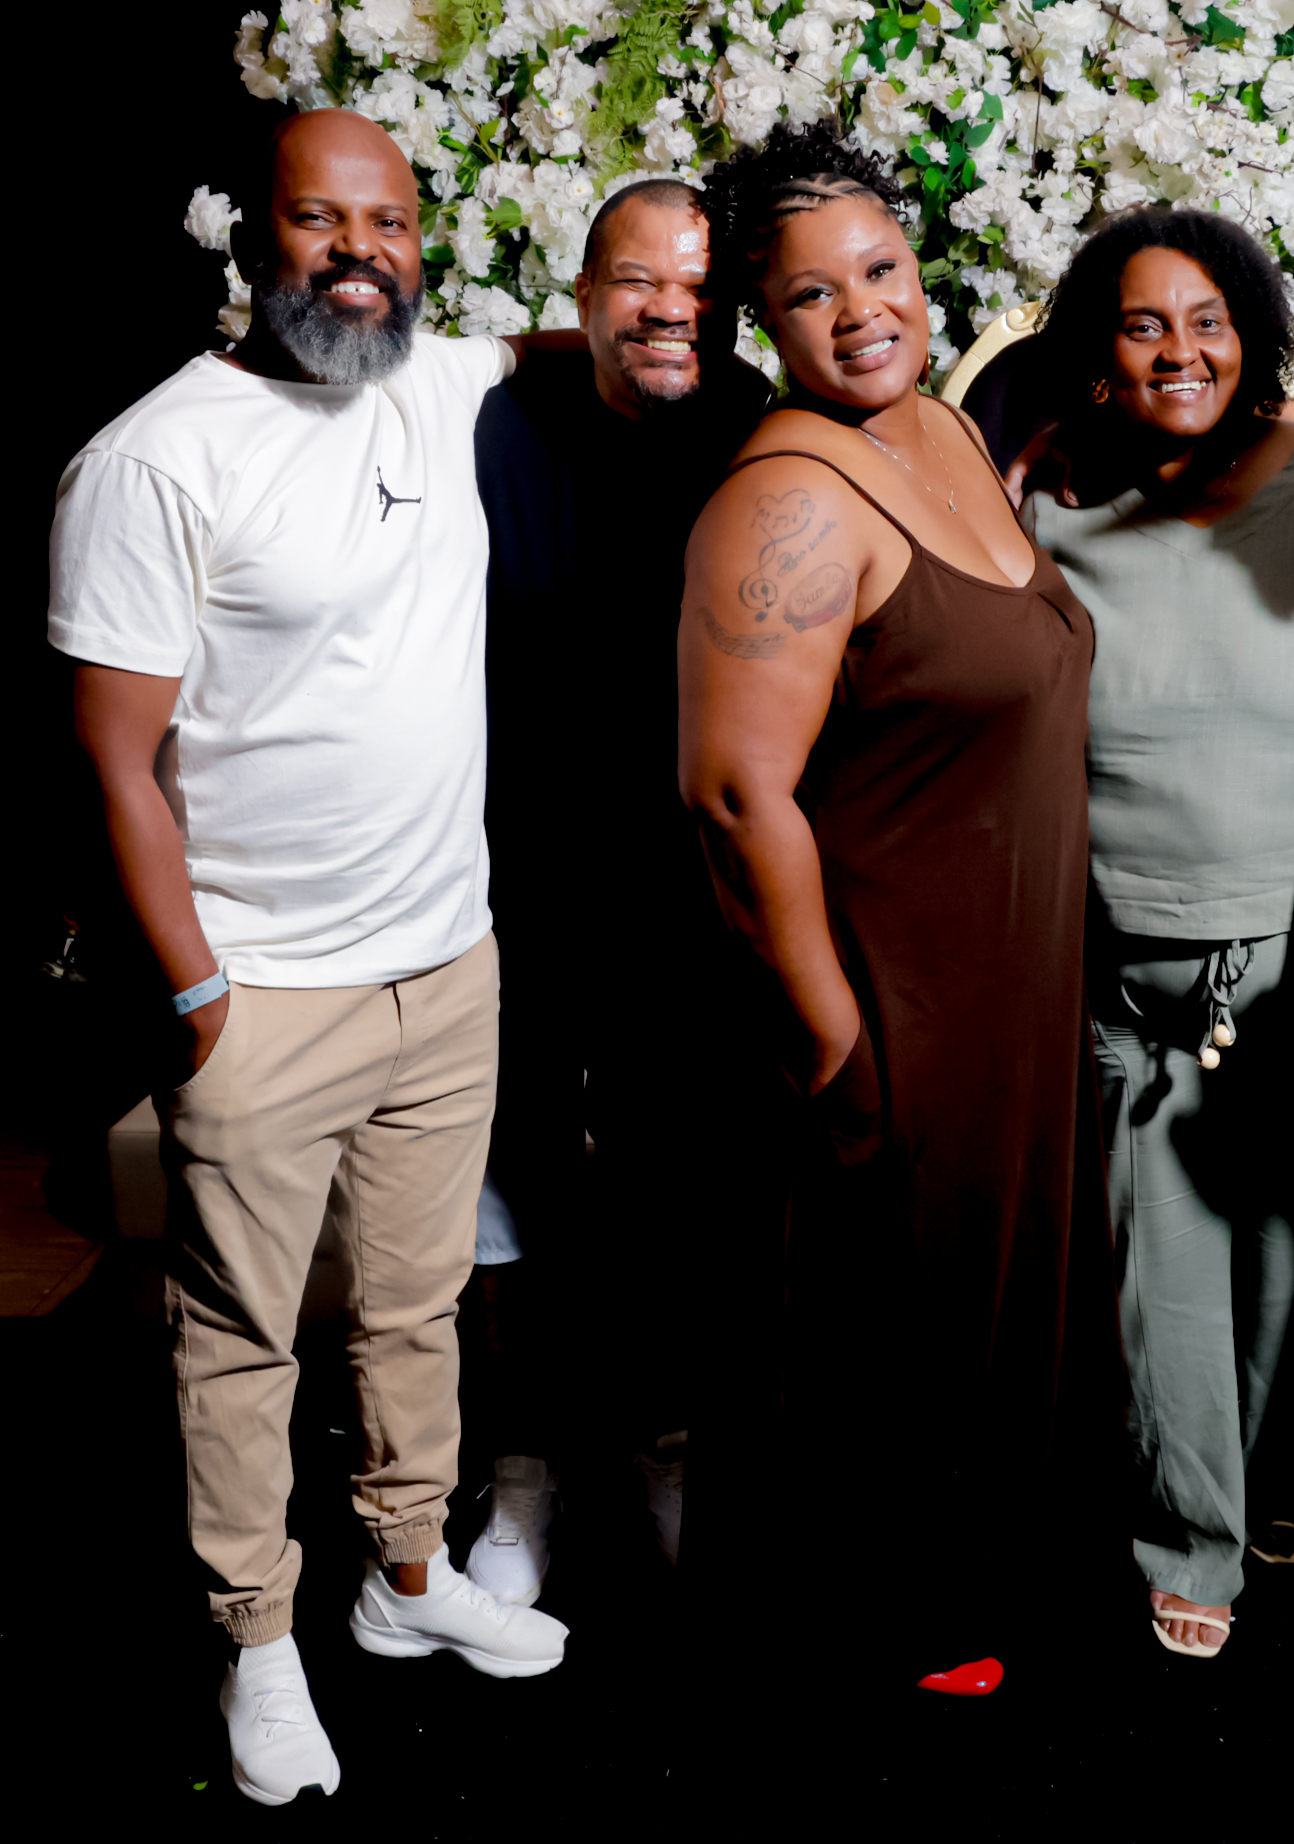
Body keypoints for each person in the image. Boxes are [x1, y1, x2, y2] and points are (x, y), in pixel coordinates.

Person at [49, 109, 576, 1807]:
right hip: (263, 991)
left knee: (417, 1308)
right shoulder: (154, 458)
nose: (360, 254)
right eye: (320, 220)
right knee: (240, 1341)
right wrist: (200, 995)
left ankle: (405, 1574)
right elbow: (114, 765)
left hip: (446, 967)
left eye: (389, 223)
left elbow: (582, 343)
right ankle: (256, 1639)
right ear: (253, 237)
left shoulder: (443, 382)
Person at [678, 121, 1122, 1681]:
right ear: (763, 320)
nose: (861, 310)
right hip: (894, 996)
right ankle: (887, 1631)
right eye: (812, 294)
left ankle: (982, 1582)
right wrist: (832, 1041)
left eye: (880, 271)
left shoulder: (932, 430)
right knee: (890, 1325)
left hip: (1008, 979)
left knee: (991, 1310)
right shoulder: (785, 504)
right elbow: (734, 794)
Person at [1013, 208, 1294, 1658]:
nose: (1181, 350)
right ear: (1097, 357)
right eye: (1143, 324)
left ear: (1253, 338)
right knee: (1156, 1284)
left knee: (1290, 1278)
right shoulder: (1046, 505)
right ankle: (1191, 1541)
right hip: (1128, 966)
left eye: (1209, 319)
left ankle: (1271, 1491)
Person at [464, 176, 774, 1596]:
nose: (670, 310)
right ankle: (524, 1470)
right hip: (513, 884)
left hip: (688, 899)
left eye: (698, 288)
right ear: (583, 295)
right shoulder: (496, 419)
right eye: (639, 281)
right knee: (511, 1198)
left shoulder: (761, 426)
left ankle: (661, 1445)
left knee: (678, 1199)